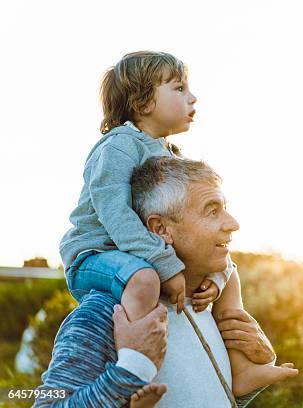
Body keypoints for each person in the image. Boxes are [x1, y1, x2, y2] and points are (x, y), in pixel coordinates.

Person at [58, 51, 287, 397]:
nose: (192, 97)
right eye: (179, 88)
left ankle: (243, 368)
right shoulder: (118, 146)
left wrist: (213, 279)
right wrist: (163, 263)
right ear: (141, 101)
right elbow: (114, 211)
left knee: (231, 273)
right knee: (144, 279)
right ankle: (139, 368)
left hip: (142, 261)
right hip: (98, 254)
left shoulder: (170, 154)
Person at [37, 156, 298, 407]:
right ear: (161, 229)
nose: (233, 224)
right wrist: (131, 368)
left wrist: (256, 367)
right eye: (212, 211)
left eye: (225, 209)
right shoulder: (107, 313)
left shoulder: (207, 306)